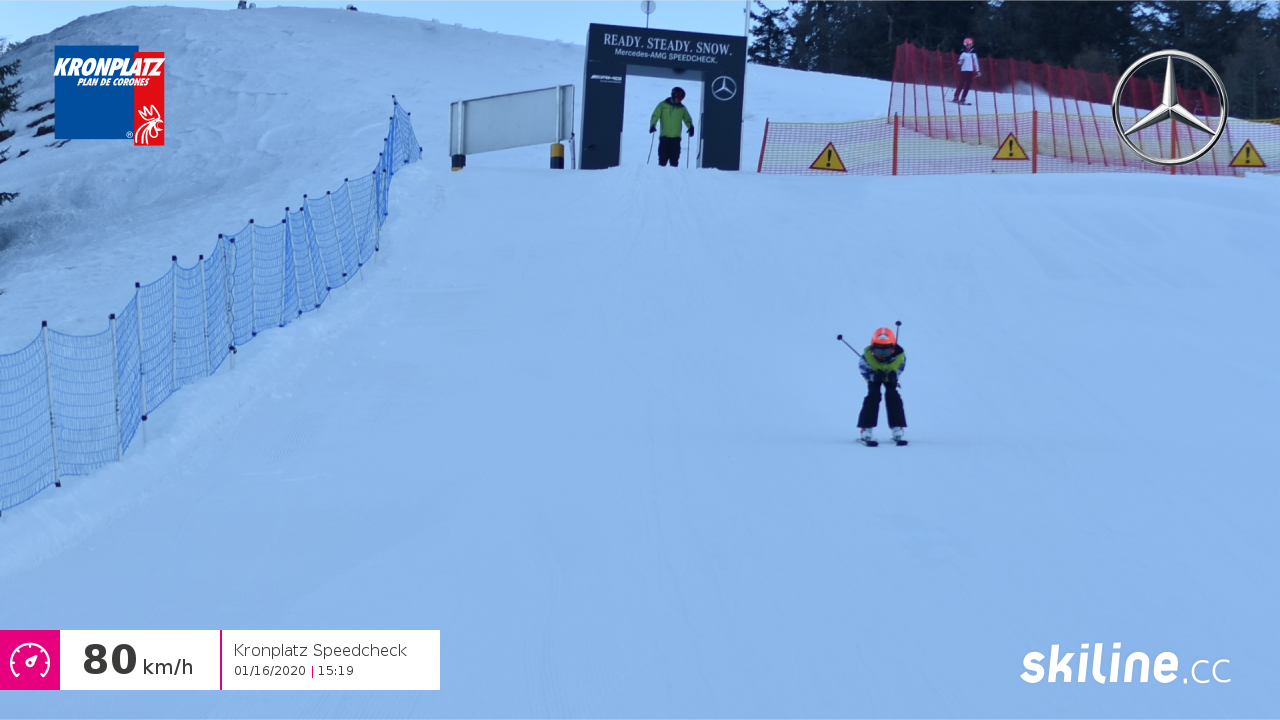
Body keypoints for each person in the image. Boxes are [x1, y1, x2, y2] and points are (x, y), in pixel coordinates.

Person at [858, 327, 907, 444]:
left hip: (890, 377)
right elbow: (863, 370)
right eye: (879, 351)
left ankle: (897, 426)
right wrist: (873, 376)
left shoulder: (900, 356)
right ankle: (866, 428)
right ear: (873, 347)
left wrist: (894, 375)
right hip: (875, 377)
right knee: (873, 395)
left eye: (887, 351)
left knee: (893, 395)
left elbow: (901, 367)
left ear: (893, 349)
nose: (883, 355)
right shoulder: (867, 357)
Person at [649, 87, 695, 167]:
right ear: (673, 96)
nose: (679, 101)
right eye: (678, 98)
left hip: (676, 139)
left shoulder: (682, 108)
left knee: (674, 161)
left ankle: (674, 174)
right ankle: (660, 173)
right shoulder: (662, 105)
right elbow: (655, 116)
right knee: (662, 160)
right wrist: (652, 125)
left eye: (681, 99)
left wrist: (690, 127)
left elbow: (688, 119)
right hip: (664, 138)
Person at [953, 37, 980, 105]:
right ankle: (956, 96)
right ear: (965, 45)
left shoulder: (973, 54)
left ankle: (963, 98)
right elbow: (959, 62)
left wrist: (977, 71)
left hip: (970, 71)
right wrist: (960, 62)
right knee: (961, 83)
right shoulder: (963, 53)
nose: (969, 46)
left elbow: (976, 63)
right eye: (967, 45)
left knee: (968, 85)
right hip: (964, 70)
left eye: (970, 45)